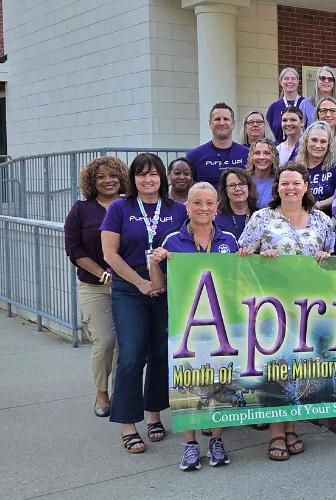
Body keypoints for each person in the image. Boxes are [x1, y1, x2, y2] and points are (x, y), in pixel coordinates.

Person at [238, 161, 335, 460]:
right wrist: (259, 256)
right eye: (284, 183)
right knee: (277, 367)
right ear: (276, 187)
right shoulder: (260, 218)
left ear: (306, 186)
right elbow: (242, 258)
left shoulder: (322, 221)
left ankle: (291, 427)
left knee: (299, 367)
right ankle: (277, 433)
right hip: (271, 306)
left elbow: (334, 260)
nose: (290, 188)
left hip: (310, 308)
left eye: (296, 183)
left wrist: (325, 256)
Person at [100, 153, 189, 454]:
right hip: (130, 287)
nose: (147, 180)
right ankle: (128, 424)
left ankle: (154, 416)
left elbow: (189, 246)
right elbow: (110, 255)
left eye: (153, 174)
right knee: (132, 355)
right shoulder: (119, 208)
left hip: (168, 287)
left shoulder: (178, 209)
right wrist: (140, 283)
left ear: (162, 178)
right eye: (141, 175)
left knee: (161, 353)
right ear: (133, 179)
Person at [148, 182, 239, 470]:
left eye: (209, 203)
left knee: (220, 380)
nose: (203, 208)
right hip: (184, 326)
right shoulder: (172, 240)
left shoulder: (229, 240)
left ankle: (216, 439)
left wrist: (251, 260)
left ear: (217, 207)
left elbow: (239, 282)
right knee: (187, 382)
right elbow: (158, 286)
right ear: (187, 207)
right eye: (197, 203)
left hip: (221, 326)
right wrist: (154, 263)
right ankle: (189, 443)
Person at [65, 156, 128, 418]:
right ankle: (101, 391)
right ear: (92, 181)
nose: (107, 180)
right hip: (94, 286)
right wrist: (103, 273)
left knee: (125, 344)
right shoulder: (81, 209)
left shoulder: (130, 206)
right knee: (105, 342)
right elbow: (74, 249)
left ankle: (119, 392)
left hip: (129, 286)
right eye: (100, 176)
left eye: (113, 175)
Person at [186, 103, 250, 188]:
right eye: (217, 119)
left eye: (226, 119)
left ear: (233, 124)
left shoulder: (247, 154)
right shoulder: (194, 156)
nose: (222, 123)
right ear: (210, 124)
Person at [294, 121, 336, 214]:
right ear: (306, 142)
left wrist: (319, 205)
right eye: (314, 140)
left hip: (328, 219)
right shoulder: (296, 166)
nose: (318, 145)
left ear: (329, 145)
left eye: (323, 142)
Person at [300, 66, 336, 136]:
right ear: (317, 81)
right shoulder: (306, 104)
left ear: (334, 83)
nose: (326, 81)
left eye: (330, 79)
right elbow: (300, 129)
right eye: (322, 78)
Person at [214, 167, 259, 240]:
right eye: (232, 185)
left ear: (249, 187)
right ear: (225, 190)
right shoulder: (216, 217)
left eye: (242, 184)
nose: (238, 189)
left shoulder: (260, 216)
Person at [266, 67, 307, 144]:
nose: (290, 81)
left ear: (298, 82)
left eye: (293, 79)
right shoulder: (274, 108)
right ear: (281, 82)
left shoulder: (306, 104)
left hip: (303, 151)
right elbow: (268, 133)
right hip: (279, 152)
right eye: (286, 79)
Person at [247, 138, 278, 207]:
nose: (261, 157)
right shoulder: (244, 180)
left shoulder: (279, 182)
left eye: (267, 153)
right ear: (251, 157)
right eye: (257, 153)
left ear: (274, 157)